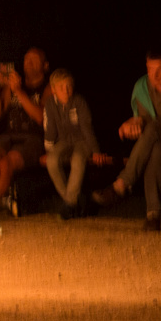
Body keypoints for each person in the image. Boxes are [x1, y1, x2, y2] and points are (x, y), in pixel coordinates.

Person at [92, 50, 161, 231]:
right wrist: (131, 124)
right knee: (154, 150)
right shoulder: (142, 88)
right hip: (157, 144)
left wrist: (146, 125)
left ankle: (121, 185)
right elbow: (142, 120)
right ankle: (153, 215)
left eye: (160, 69)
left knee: (154, 130)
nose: (155, 76)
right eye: (150, 69)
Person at [0, 48, 49, 214]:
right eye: (26, 59)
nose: (29, 63)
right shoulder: (11, 85)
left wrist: (19, 92)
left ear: (45, 66)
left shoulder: (47, 89)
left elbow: (41, 118)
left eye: (34, 59)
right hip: (9, 135)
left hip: (32, 138)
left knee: (7, 162)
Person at [43, 69, 105, 219]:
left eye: (69, 86)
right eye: (61, 87)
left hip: (82, 141)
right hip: (64, 141)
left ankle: (69, 204)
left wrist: (96, 151)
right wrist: (48, 150)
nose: (66, 90)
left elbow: (87, 129)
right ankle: (71, 201)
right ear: (53, 89)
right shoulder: (50, 104)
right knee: (51, 161)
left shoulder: (79, 102)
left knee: (78, 159)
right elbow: (50, 130)